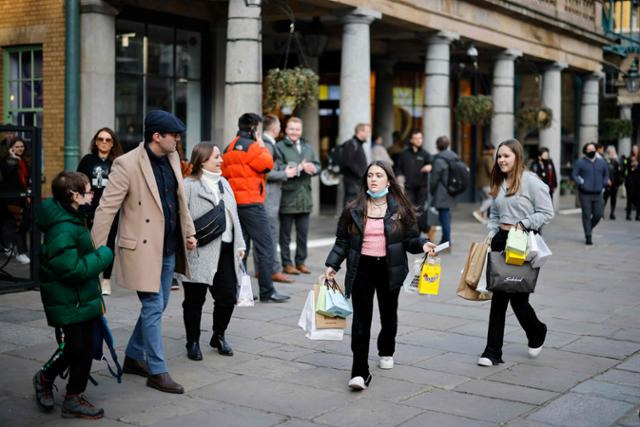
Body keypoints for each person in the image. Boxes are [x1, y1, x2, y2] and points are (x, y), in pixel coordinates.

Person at [92, 110, 197, 394]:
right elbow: (107, 209)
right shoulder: (126, 164)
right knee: (152, 307)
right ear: (156, 137)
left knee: (160, 305)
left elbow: (179, 202)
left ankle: (134, 357)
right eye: (174, 135)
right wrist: (93, 253)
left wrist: (189, 232)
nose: (178, 139)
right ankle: (158, 370)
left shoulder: (173, 158)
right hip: (141, 249)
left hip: (169, 247)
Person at [325, 161, 436, 390]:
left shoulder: (400, 209)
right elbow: (342, 241)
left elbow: (410, 240)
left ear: (389, 180)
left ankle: (386, 349)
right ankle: (359, 372)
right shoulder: (353, 208)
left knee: (388, 314)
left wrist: (423, 244)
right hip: (361, 269)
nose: (373, 179)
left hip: (390, 268)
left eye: (379, 175)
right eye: (370, 175)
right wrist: (333, 264)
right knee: (360, 321)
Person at [33, 171, 113, 419]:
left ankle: (72, 397)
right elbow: (70, 269)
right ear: (74, 196)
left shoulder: (73, 216)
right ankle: (45, 378)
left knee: (83, 347)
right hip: (69, 299)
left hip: (79, 298)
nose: (92, 194)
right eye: (88, 190)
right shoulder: (63, 229)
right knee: (76, 347)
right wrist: (104, 256)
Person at [478, 139, 554, 367]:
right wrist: (491, 232)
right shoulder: (499, 182)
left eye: (506, 156)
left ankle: (537, 330)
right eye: (499, 156)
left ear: (517, 157)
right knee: (499, 297)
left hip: (522, 242)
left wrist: (524, 222)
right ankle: (492, 352)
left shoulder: (532, 182)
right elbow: (494, 214)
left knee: (519, 298)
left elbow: (547, 212)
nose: (501, 160)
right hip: (501, 241)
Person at [182, 143, 246, 361]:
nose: (221, 160)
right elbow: (182, 216)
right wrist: (186, 237)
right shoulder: (189, 185)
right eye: (216, 157)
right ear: (202, 160)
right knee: (194, 299)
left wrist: (240, 244)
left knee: (227, 297)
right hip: (200, 251)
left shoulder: (224, 183)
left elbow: (234, 216)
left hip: (227, 251)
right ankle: (192, 341)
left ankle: (218, 335)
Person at [222, 113, 290, 303]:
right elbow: (267, 165)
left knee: (242, 248)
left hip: (235, 204)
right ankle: (267, 291)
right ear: (253, 129)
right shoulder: (253, 147)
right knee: (266, 247)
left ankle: (240, 291)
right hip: (252, 203)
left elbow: (226, 174)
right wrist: (260, 144)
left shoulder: (229, 146)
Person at [77, 127, 123, 295]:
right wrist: (83, 206)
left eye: (108, 140)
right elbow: (79, 182)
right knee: (91, 243)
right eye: (100, 139)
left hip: (112, 208)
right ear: (95, 142)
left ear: (113, 144)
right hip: (90, 208)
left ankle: (106, 280)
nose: (104, 142)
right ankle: (92, 277)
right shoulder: (88, 160)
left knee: (109, 243)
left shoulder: (118, 162)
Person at [252, 114, 296, 283]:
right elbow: (266, 172)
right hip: (269, 197)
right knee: (270, 234)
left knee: (264, 234)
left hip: (266, 196)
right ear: (275, 128)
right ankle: (272, 270)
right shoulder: (267, 145)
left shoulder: (266, 143)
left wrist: (284, 168)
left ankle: (261, 269)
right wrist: (286, 173)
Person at [277, 117, 321, 275]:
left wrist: (313, 168)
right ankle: (286, 263)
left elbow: (318, 165)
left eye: (297, 129)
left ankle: (301, 262)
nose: (295, 132)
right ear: (286, 130)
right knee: (285, 235)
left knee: (303, 233)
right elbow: (278, 167)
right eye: (292, 129)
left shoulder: (307, 146)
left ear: (301, 131)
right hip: (288, 196)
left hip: (305, 196)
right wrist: (299, 167)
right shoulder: (279, 146)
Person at [394, 129, 433, 233]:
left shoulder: (426, 154)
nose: (419, 140)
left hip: (422, 188)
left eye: (420, 138)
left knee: (421, 210)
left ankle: (422, 230)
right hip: (408, 188)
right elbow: (397, 168)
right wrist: (399, 175)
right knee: (410, 210)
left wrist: (430, 166)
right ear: (411, 140)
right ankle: (413, 232)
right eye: (416, 138)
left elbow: (433, 164)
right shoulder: (403, 154)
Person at [571, 142, 609, 245]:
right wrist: (581, 182)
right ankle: (588, 236)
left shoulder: (602, 162)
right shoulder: (580, 162)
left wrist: (605, 182)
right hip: (585, 193)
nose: (592, 151)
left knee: (598, 214)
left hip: (598, 193)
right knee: (586, 215)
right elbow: (574, 175)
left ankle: (589, 227)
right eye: (589, 149)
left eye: (593, 149)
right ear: (585, 151)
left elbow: (606, 174)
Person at [1, 136, 31, 264]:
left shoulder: (23, 160)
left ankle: (7, 246)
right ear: (11, 148)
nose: (20, 149)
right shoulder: (8, 161)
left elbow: (26, 178)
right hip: (11, 198)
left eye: (21, 146)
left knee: (12, 223)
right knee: (19, 224)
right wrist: (12, 157)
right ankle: (20, 251)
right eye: (17, 147)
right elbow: (7, 172)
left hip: (23, 197)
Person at [430, 136, 457, 247]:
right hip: (451, 189)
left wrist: (432, 190)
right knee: (446, 214)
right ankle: (446, 238)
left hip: (442, 191)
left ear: (437, 146)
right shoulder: (454, 157)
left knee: (444, 216)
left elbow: (434, 179)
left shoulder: (439, 160)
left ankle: (446, 240)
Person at [340, 123, 370, 206]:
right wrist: (360, 174)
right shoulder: (351, 144)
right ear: (360, 131)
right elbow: (348, 162)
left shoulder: (358, 144)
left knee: (356, 207)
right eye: (367, 131)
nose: (368, 134)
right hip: (352, 182)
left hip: (357, 183)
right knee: (351, 207)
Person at [473, 143, 494, 224]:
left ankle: (483, 217)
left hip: (479, 183)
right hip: (486, 183)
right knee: (490, 199)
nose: (494, 151)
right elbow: (491, 171)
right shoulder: (488, 158)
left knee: (485, 199)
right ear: (490, 150)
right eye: (493, 150)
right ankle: (478, 212)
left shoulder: (481, 158)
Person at [603, 145, 623, 220]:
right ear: (608, 152)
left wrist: (620, 168)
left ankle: (612, 213)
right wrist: (606, 179)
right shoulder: (605, 160)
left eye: (614, 151)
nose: (613, 153)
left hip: (615, 183)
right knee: (605, 198)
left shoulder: (617, 160)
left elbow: (620, 171)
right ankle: (601, 213)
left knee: (613, 199)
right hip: (608, 182)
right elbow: (604, 171)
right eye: (611, 152)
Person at [623, 146, 640, 221]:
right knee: (629, 198)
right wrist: (630, 163)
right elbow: (625, 165)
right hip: (630, 180)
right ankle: (628, 214)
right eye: (634, 149)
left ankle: (638, 215)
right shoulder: (628, 158)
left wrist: (638, 164)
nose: (635, 151)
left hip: (638, 180)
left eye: (636, 149)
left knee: (638, 198)